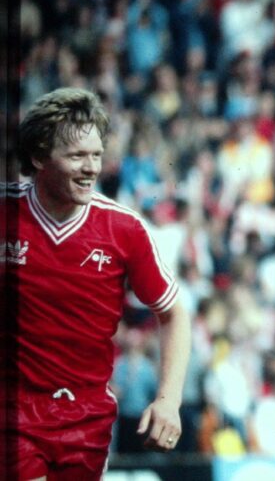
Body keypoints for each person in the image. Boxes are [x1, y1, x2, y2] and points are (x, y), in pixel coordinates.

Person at [2, 88, 191, 480]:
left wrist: (168, 401)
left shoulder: (124, 229)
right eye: (76, 156)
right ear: (38, 157)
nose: (90, 168)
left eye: (96, 155)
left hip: (86, 417)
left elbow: (173, 313)